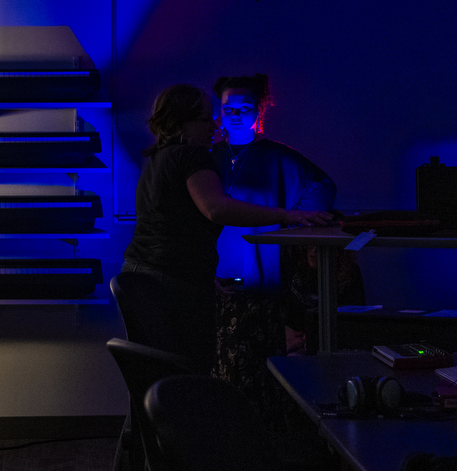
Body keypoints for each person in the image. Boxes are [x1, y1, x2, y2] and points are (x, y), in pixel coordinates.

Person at [121, 84, 333, 372]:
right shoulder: (193, 156)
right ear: (183, 121)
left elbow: (169, 226)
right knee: (188, 377)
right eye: (208, 118)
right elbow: (216, 208)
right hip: (174, 286)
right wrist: (287, 214)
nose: (216, 124)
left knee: (154, 378)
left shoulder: (159, 158)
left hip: (141, 277)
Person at [212, 74, 361, 354]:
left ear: (258, 111)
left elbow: (322, 186)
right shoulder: (207, 156)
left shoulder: (276, 156)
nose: (235, 115)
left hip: (261, 275)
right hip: (215, 275)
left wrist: (289, 224)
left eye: (244, 108)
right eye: (228, 109)